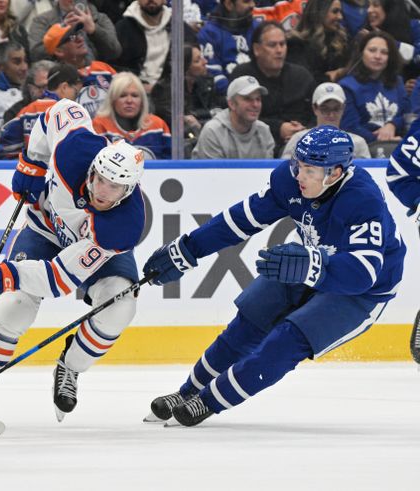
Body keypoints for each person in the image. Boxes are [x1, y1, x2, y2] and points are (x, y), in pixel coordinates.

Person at [143, 125, 405, 427]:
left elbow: (363, 274)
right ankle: (188, 391)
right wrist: (190, 248)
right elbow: (242, 218)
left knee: (288, 340)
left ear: (334, 173)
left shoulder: (363, 200)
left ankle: (210, 401)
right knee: (248, 322)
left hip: (361, 290)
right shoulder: (289, 181)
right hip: (311, 260)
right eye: (297, 164)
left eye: (309, 170)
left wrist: (312, 267)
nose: (298, 175)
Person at [0, 98, 145, 423]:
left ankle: (71, 366)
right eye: (100, 179)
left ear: (129, 190)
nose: (103, 191)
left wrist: (5, 274)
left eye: (115, 187)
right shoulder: (75, 149)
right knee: (15, 307)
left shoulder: (121, 226)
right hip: (44, 229)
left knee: (120, 307)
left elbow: (58, 279)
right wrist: (32, 163)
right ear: (93, 167)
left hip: (89, 252)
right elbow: (59, 110)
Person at [230, 21, 314, 153]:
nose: (279, 50)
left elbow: (316, 113)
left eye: (282, 44)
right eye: (272, 45)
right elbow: (235, 117)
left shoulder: (302, 76)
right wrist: (278, 128)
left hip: (303, 148)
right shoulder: (242, 76)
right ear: (257, 49)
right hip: (253, 147)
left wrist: (303, 131)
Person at [0, 62, 82, 159]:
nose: (76, 96)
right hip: (61, 170)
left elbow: (6, 146)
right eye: (75, 91)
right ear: (64, 87)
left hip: (32, 170)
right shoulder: (71, 112)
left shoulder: (25, 112)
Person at [339, 31, 408, 143]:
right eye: (372, 50)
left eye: (384, 52)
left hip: (398, 143)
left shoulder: (397, 82)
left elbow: (406, 115)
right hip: (362, 148)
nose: (377, 56)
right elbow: (350, 127)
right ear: (361, 53)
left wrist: (393, 124)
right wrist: (381, 140)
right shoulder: (346, 86)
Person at [92, 72, 172, 159]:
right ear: (112, 100)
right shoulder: (100, 124)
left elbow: (170, 164)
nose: (129, 100)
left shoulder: (158, 125)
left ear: (142, 100)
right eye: (122, 96)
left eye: (134, 95)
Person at [192, 75, 275, 158]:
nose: (255, 104)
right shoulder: (213, 131)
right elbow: (213, 171)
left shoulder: (264, 131)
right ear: (231, 104)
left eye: (258, 99)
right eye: (248, 99)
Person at [282, 82, 371, 159]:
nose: (331, 114)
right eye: (325, 109)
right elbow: (286, 172)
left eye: (336, 109)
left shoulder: (358, 143)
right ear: (315, 108)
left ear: (343, 108)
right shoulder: (299, 140)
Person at [28, 0, 121, 63]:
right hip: (59, 78)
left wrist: (94, 31)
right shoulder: (41, 21)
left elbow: (114, 52)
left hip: (95, 77)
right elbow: (35, 55)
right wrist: (60, 32)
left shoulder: (100, 19)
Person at [197, 0, 258, 95]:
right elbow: (213, 77)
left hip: (259, 95)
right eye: (246, 1)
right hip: (227, 101)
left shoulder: (257, 27)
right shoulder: (209, 33)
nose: (252, 5)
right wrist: (240, 97)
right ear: (229, 4)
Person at [286, 0, 351, 84]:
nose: (340, 17)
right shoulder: (296, 44)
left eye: (340, 12)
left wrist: (340, 72)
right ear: (320, 13)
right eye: (335, 11)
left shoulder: (342, 40)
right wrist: (330, 77)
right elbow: (304, 81)